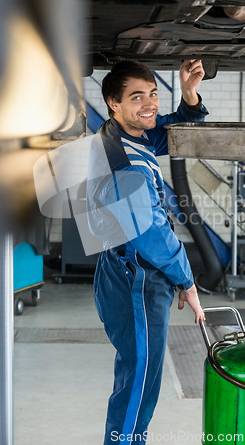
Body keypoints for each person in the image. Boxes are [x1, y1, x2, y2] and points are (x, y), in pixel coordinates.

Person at [87, 59, 207, 445]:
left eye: (153, 93)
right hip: (137, 274)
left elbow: (177, 132)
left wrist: (188, 94)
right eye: (137, 97)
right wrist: (187, 282)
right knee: (139, 382)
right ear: (113, 103)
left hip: (123, 266)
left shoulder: (120, 135)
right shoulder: (128, 163)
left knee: (137, 374)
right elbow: (151, 233)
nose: (150, 104)